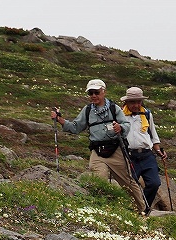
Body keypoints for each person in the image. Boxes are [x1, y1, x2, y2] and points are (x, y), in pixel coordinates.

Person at [55, 79, 146, 213]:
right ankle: (100, 209)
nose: (93, 96)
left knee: (128, 182)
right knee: (99, 180)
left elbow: (126, 125)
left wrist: (120, 127)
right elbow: (75, 127)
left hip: (116, 150)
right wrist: (60, 120)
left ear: (103, 92)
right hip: (97, 152)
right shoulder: (87, 110)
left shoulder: (114, 108)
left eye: (96, 92)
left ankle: (142, 210)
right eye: (90, 93)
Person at [120, 86, 166, 213]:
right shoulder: (120, 115)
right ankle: (135, 209)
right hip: (129, 156)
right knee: (131, 185)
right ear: (126, 102)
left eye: (138, 102)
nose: (136, 105)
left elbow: (153, 135)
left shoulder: (146, 114)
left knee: (154, 183)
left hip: (147, 154)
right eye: (133, 102)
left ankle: (143, 209)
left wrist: (159, 151)